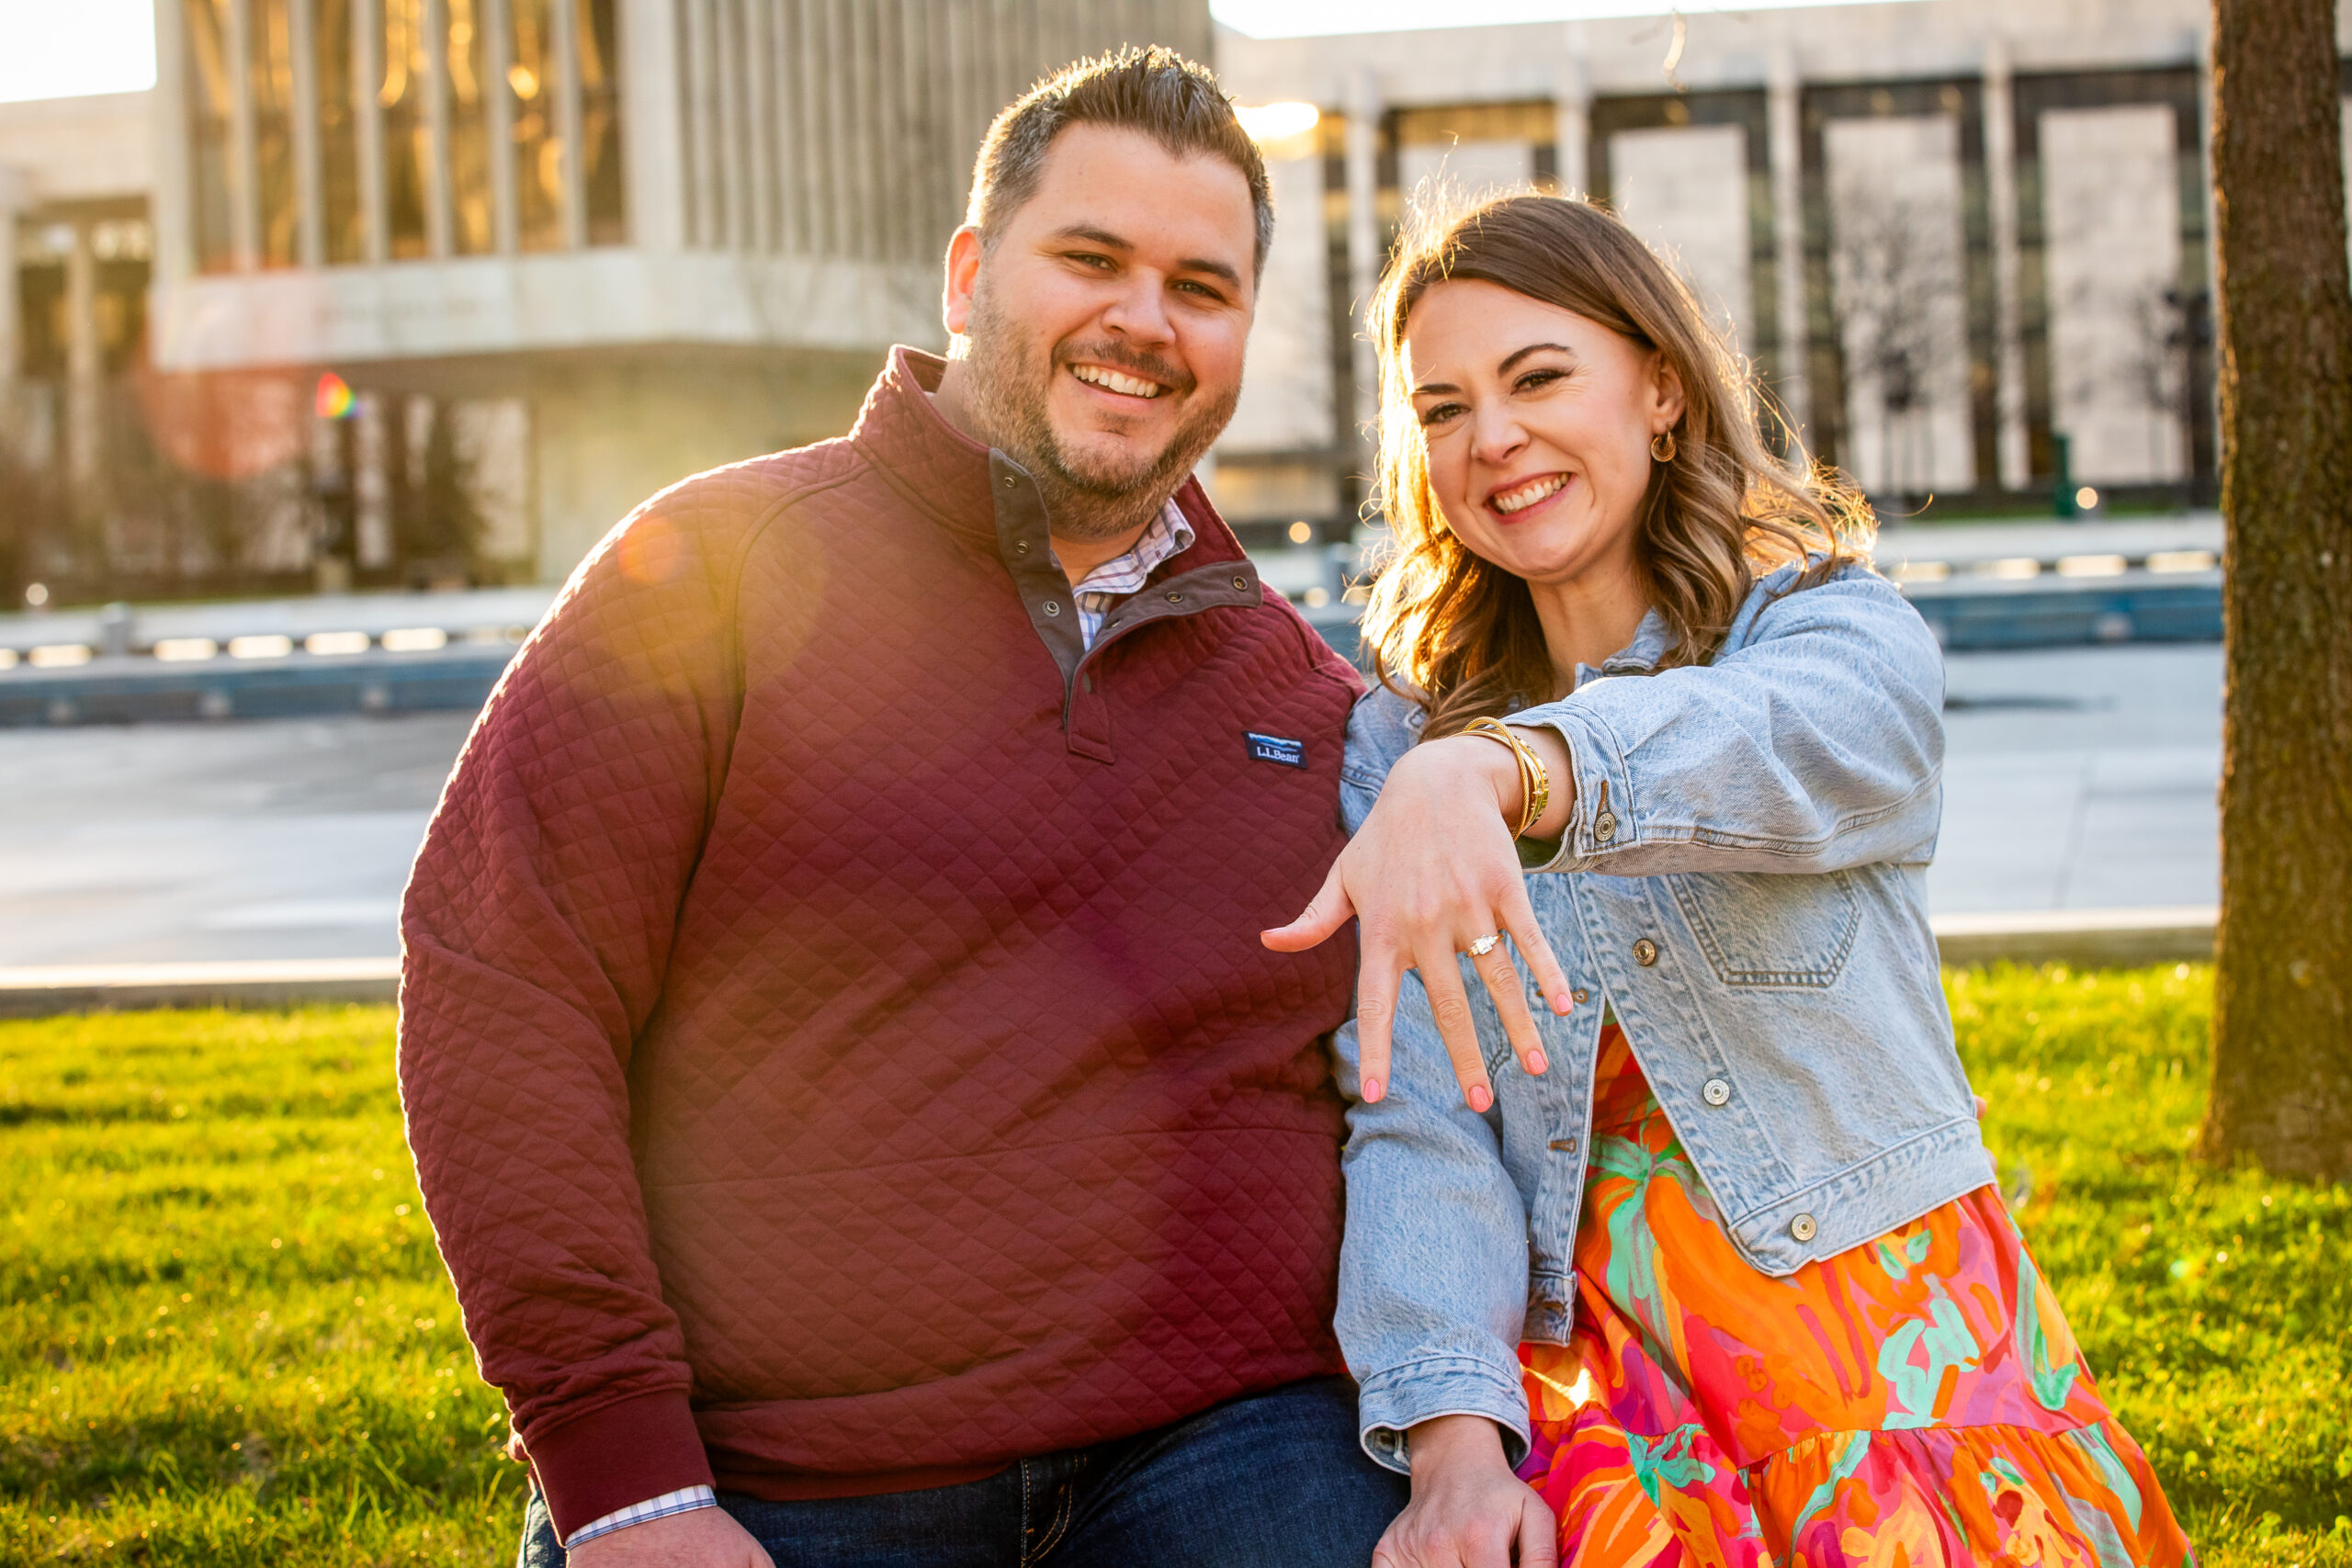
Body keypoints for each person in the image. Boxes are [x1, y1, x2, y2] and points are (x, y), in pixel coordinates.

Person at [397, 49, 1404, 1568]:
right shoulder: (716, 569)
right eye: (1090, 259)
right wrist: (626, 1483)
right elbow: (503, 992)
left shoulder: (1305, 693)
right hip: (790, 1465)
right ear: (967, 273)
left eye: (1202, 285)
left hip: (1232, 1440)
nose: (1144, 319)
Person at [1262, 194, 2194, 1564]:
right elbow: (1425, 1118)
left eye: (1537, 378)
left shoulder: (1827, 630)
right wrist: (1455, 1449)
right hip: (1601, 1375)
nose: (1493, 438)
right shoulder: (1403, 748)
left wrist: (1510, 773)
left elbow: (1780, 748)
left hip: (1889, 1332)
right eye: (1443, 407)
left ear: (1661, 389)